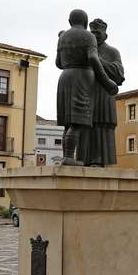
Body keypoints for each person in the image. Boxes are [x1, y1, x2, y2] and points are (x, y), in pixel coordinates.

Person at [56, 9, 117, 166]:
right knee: (77, 121)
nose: (95, 34)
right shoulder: (88, 37)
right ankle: (69, 158)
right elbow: (92, 58)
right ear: (85, 22)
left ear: (69, 21)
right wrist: (107, 81)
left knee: (68, 122)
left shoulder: (62, 37)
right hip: (81, 79)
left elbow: (58, 63)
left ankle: (67, 156)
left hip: (65, 77)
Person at [79, 18, 125, 167]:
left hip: (104, 93)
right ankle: (83, 159)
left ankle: (99, 160)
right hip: (86, 92)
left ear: (105, 34)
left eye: (97, 32)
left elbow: (119, 75)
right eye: (92, 32)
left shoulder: (112, 52)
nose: (94, 35)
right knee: (84, 125)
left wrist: (98, 61)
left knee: (101, 125)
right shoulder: (84, 50)